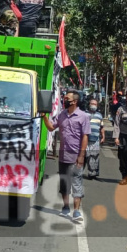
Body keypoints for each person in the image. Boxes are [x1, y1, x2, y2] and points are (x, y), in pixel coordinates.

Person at [41, 89, 90, 222]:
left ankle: (76, 211)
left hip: (76, 156)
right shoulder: (62, 114)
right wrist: (44, 117)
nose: (64, 100)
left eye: (67, 99)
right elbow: (51, 127)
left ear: (74, 101)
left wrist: (81, 155)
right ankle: (66, 207)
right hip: (63, 155)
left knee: (76, 183)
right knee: (64, 183)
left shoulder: (83, 116)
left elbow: (85, 136)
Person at [85, 98, 105, 179]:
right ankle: (83, 172)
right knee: (86, 156)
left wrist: (103, 136)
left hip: (95, 139)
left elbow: (102, 127)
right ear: (89, 104)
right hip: (85, 139)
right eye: (92, 103)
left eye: (95, 104)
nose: (93, 105)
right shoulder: (84, 114)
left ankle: (93, 173)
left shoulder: (99, 115)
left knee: (94, 156)